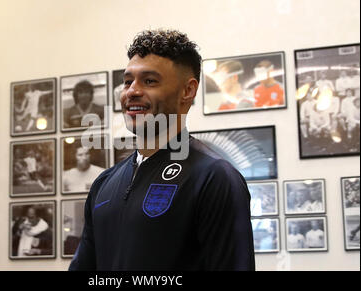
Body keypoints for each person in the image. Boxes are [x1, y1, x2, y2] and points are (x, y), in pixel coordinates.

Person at [69, 29, 255, 271]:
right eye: (127, 82)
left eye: (149, 81)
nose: (131, 91)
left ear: (187, 91)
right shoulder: (104, 183)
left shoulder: (214, 178)